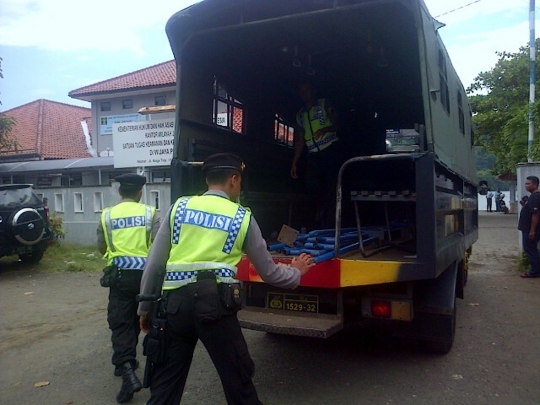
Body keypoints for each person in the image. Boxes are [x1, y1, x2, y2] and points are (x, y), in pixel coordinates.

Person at [138, 153, 315, 405]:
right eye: (240, 181)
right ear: (233, 179)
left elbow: (154, 263)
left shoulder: (179, 208)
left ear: (208, 180)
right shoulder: (242, 217)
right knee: (238, 384)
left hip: (174, 307)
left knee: (164, 389)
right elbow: (269, 272)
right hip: (216, 309)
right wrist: (296, 271)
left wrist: (145, 308)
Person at [97, 173, 160, 403]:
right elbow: (159, 244)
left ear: (120, 192)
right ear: (140, 193)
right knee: (144, 319)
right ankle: (139, 367)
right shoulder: (150, 213)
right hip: (146, 277)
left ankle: (126, 368)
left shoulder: (107, 215)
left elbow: (102, 247)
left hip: (120, 277)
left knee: (121, 321)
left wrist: (115, 258)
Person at [290, 79, 342, 229]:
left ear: (313, 91)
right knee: (311, 186)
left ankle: (331, 225)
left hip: (330, 151)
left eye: (306, 90)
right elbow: (300, 141)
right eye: (301, 91)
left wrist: (325, 130)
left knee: (332, 188)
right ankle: (315, 221)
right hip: (313, 155)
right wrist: (295, 162)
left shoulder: (324, 105)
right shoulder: (300, 115)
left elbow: (338, 125)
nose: (303, 93)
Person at [518, 176, 540, 278]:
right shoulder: (532, 196)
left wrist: (532, 230)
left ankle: (535, 271)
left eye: (528, 184)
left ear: (535, 184)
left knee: (530, 249)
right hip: (527, 228)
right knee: (530, 249)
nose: (526, 186)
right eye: (526, 183)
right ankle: (535, 270)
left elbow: (535, 215)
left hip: (529, 229)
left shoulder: (535, 196)